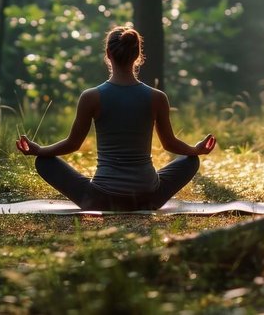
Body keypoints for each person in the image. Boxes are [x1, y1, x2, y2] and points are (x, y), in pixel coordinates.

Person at [16, 25, 216, 211]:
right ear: (138, 55)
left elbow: (72, 144)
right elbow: (170, 143)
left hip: (101, 198)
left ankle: (94, 198)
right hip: (149, 196)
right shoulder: (157, 97)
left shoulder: (91, 97)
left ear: (108, 54)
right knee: (191, 161)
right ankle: (145, 198)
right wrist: (195, 150)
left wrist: (40, 150)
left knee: (44, 162)